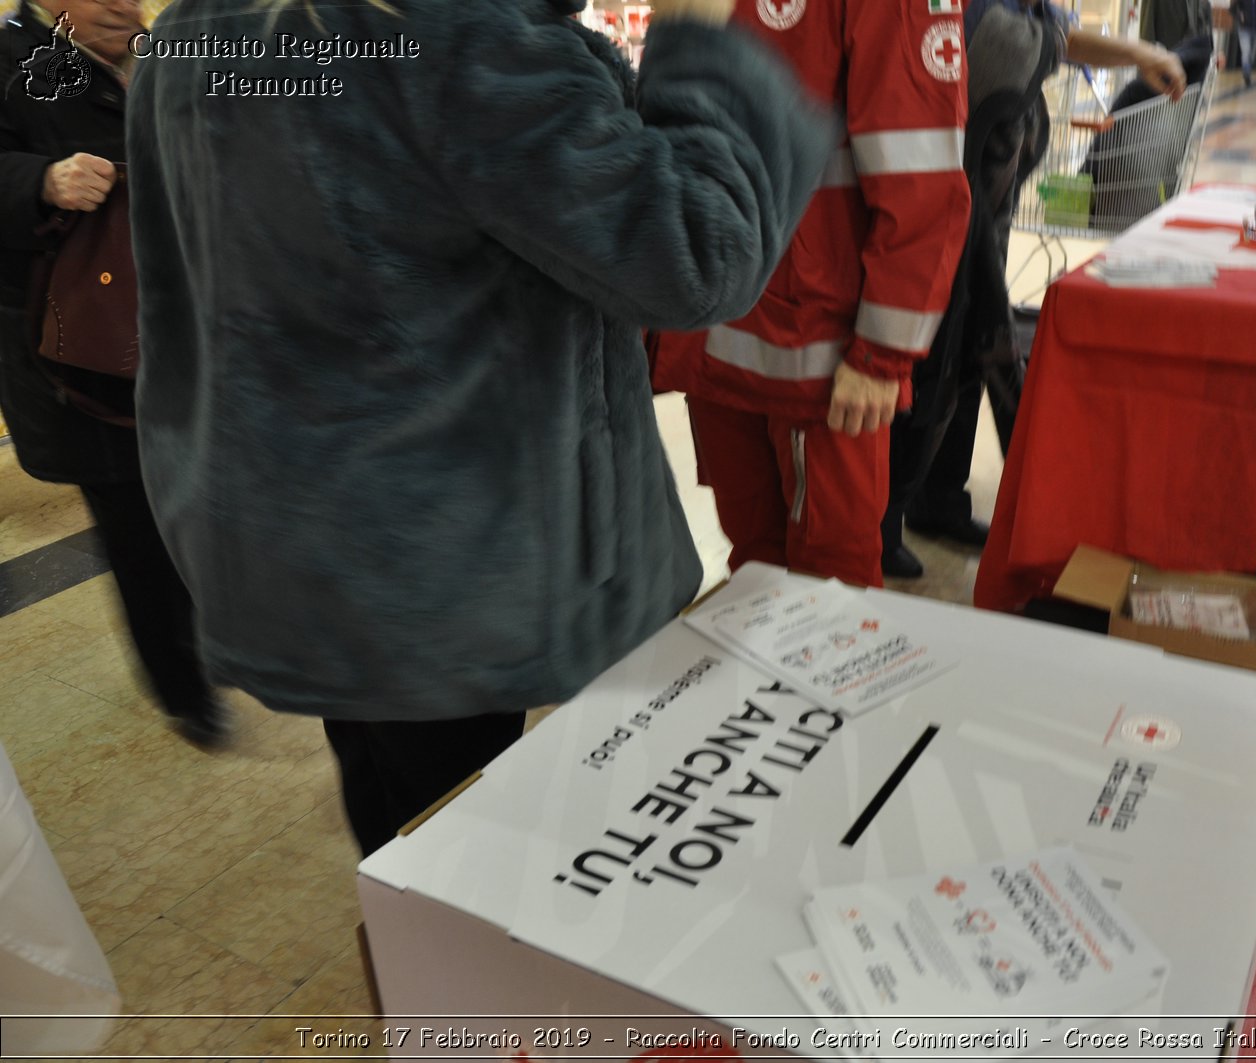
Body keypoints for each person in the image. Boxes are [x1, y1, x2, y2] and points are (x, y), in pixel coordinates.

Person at [125, 0, 835, 856]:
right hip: (458, 570)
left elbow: (174, 302)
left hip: (303, 549)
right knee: (500, 857)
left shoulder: (194, 35)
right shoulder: (454, 42)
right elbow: (701, 252)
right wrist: (699, 39)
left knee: (399, 817)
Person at [651, 0, 972, 590]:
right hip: (718, 333)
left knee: (833, 582)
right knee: (753, 563)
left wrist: (882, 354)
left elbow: (922, 177)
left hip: (823, 358)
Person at [881, 0, 1188, 579]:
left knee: (971, 346)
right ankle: (883, 518)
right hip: (936, 205)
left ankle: (937, 499)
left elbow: (1057, 33)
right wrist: (1128, 50)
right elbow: (1003, 41)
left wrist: (1138, 54)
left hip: (986, 198)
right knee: (931, 356)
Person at [0, 0, 226, 745]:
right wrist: (41, 180)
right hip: (81, 357)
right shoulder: (12, 59)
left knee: (197, 500)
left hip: (182, 331)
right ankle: (180, 683)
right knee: (135, 522)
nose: (122, 4)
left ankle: (216, 639)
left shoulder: (154, 54)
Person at [1231, 0, 1256, 85]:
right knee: (1246, 51)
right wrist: (1239, 17)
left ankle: (1247, 69)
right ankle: (1246, 74)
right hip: (1244, 29)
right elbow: (1232, 9)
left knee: (1252, 54)